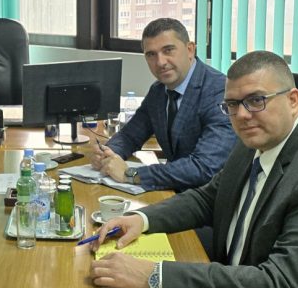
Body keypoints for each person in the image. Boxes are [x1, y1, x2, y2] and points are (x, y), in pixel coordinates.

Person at [88, 50, 298, 288]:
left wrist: (154, 275)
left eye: (256, 100)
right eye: (233, 105)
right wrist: (141, 219)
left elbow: (278, 286)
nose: (243, 115)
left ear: (293, 100)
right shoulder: (257, 140)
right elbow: (209, 198)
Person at [92, 18, 236, 191]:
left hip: (210, 197)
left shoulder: (219, 92)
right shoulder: (158, 90)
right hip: (175, 191)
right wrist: (108, 153)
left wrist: (131, 174)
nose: (160, 62)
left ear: (190, 49)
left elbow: (204, 166)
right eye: (151, 55)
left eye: (168, 50)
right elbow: (130, 135)